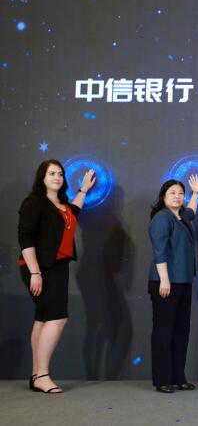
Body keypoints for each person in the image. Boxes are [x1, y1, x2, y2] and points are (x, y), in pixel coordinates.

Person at [18, 159, 96, 394]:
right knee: (57, 318)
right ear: (42, 177)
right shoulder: (34, 202)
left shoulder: (62, 204)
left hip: (58, 267)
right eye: (52, 173)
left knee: (43, 319)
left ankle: (36, 375)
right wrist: (35, 272)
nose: (57, 177)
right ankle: (43, 375)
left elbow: (74, 212)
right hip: (39, 268)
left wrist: (83, 190)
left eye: (60, 174)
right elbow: (25, 239)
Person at [148, 175, 198, 393]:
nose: (177, 196)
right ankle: (163, 380)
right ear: (163, 196)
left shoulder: (182, 216)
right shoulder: (162, 218)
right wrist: (164, 280)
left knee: (181, 330)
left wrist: (196, 193)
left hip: (183, 281)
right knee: (164, 331)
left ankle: (179, 377)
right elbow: (159, 251)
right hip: (166, 282)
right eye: (172, 193)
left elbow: (192, 211)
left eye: (181, 193)